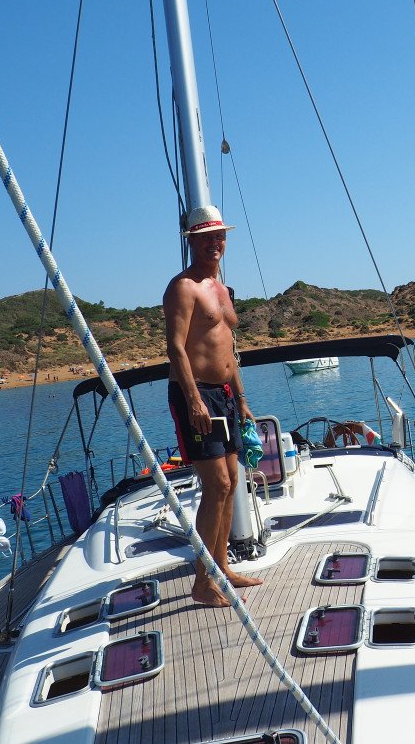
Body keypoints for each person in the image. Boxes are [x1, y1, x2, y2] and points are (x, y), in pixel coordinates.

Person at [163, 204, 262, 606]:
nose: (214, 244)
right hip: (196, 395)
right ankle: (202, 582)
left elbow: (228, 349)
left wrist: (241, 398)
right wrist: (193, 401)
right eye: (206, 238)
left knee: (232, 483)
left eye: (219, 236)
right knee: (216, 484)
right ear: (192, 242)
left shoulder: (223, 289)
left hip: (223, 394)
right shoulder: (183, 288)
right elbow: (176, 348)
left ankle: (222, 567)